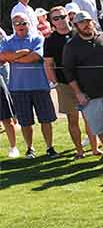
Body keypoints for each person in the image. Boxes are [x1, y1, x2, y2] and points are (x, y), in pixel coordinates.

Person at [62, 10, 103, 160]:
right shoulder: (71, 46)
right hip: (89, 94)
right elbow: (69, 73)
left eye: (88, 21)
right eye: (81, 23)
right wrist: (78, 93)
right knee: (99, 125)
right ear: (76, 25)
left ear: (93, 22)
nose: (86, 25)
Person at [44, 6, 97, 157]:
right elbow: (48, 64)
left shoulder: (78, 34)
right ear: (52, 22)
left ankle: (95, 149)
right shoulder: (50, 40)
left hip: (85, 83)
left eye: (62, 16)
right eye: (56, 18)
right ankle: (79, 151)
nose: (60, 20)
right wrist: (55, 83)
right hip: (64, 84)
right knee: (73, 120)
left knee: (90, 118)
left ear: (69, 17)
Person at [1, 14, 57, 157]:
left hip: (39, 86)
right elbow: (2, 57)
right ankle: (30, 148)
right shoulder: (8, 41)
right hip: (18, 88)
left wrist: (14, 57)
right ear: (13, 25)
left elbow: (36, 57)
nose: (20, 25)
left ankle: (50, 147)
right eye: (17, 23)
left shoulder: (37, 38)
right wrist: (24, 52)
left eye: (23, 23)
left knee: (46, 119)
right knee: (25, 122)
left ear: (28, 24)